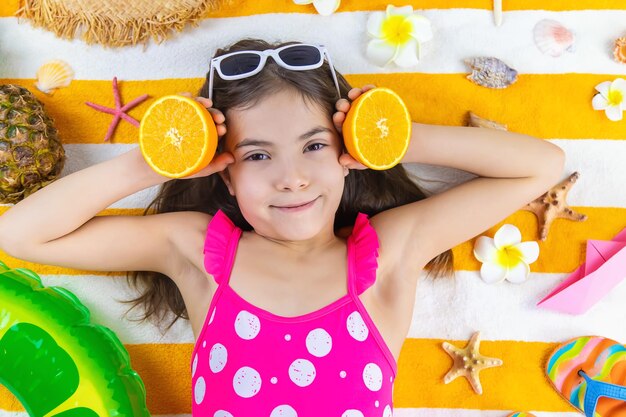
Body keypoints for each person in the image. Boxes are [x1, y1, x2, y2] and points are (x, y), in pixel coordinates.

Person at [0, 38, 564, 416]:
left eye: (315, 146)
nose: (292, 178)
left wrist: (392, 138)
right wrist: (157, 160)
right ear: (224, 175)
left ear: (348, 154)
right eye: (259, 156)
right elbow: (21, 235)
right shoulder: (198, 249)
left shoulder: (388, 251)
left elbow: (541, 166)